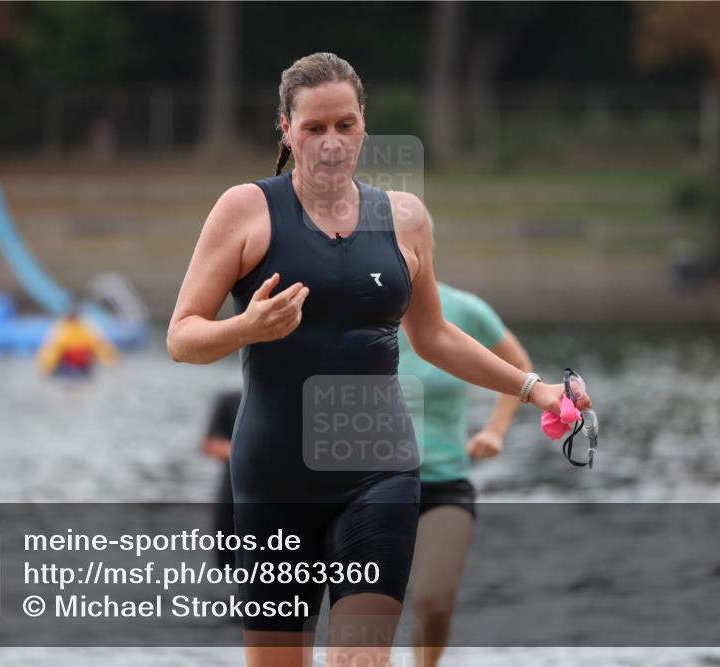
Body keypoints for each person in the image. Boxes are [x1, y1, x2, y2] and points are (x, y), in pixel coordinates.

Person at [167, 52, 591, 667]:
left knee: (359, 660)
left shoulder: (406, 220)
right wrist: (246, 327)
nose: (331, 143)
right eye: (314, 128)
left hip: (378, 472)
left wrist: (536, 389)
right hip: (272, 481)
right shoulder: (245, 210)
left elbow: (435, 336)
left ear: (364, 124)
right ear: (285, 129)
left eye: (345, 125)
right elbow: (182, 337)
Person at [400, 281, 532, 667]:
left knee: (434, 600)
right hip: (366, 484)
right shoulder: (352, 300)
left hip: (444, 482)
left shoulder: (465, 309)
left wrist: (495, 430)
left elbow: (521, 369)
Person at [201, 389, 242, 570]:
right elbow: (209, 444)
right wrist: (250, 451)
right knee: (226, 565)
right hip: (232, 491)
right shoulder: (230, 399)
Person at [36, 303, 119, 377]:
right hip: (66, 365)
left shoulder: (88, 325)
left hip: (83, 364)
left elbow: (101, 343)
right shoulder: (60, 327)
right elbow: (50, 347)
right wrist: (46, 367)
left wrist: (110, 361)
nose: (73, 317)